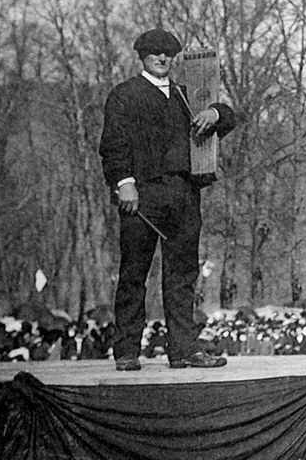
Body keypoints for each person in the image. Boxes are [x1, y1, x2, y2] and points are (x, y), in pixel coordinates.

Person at [99, 28, 236, 371]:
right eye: (155, 52)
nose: (162, 58)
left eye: (168, 53)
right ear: (142, 56)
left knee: (183, 276)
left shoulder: (186, 95)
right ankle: (128, 351)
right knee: (134, 274)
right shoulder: (124, 95)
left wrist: (216, 114)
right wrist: (124, 184)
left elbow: (233, 116)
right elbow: (113, 146)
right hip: (142, 194)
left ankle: (183, 351)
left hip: (184, 194)